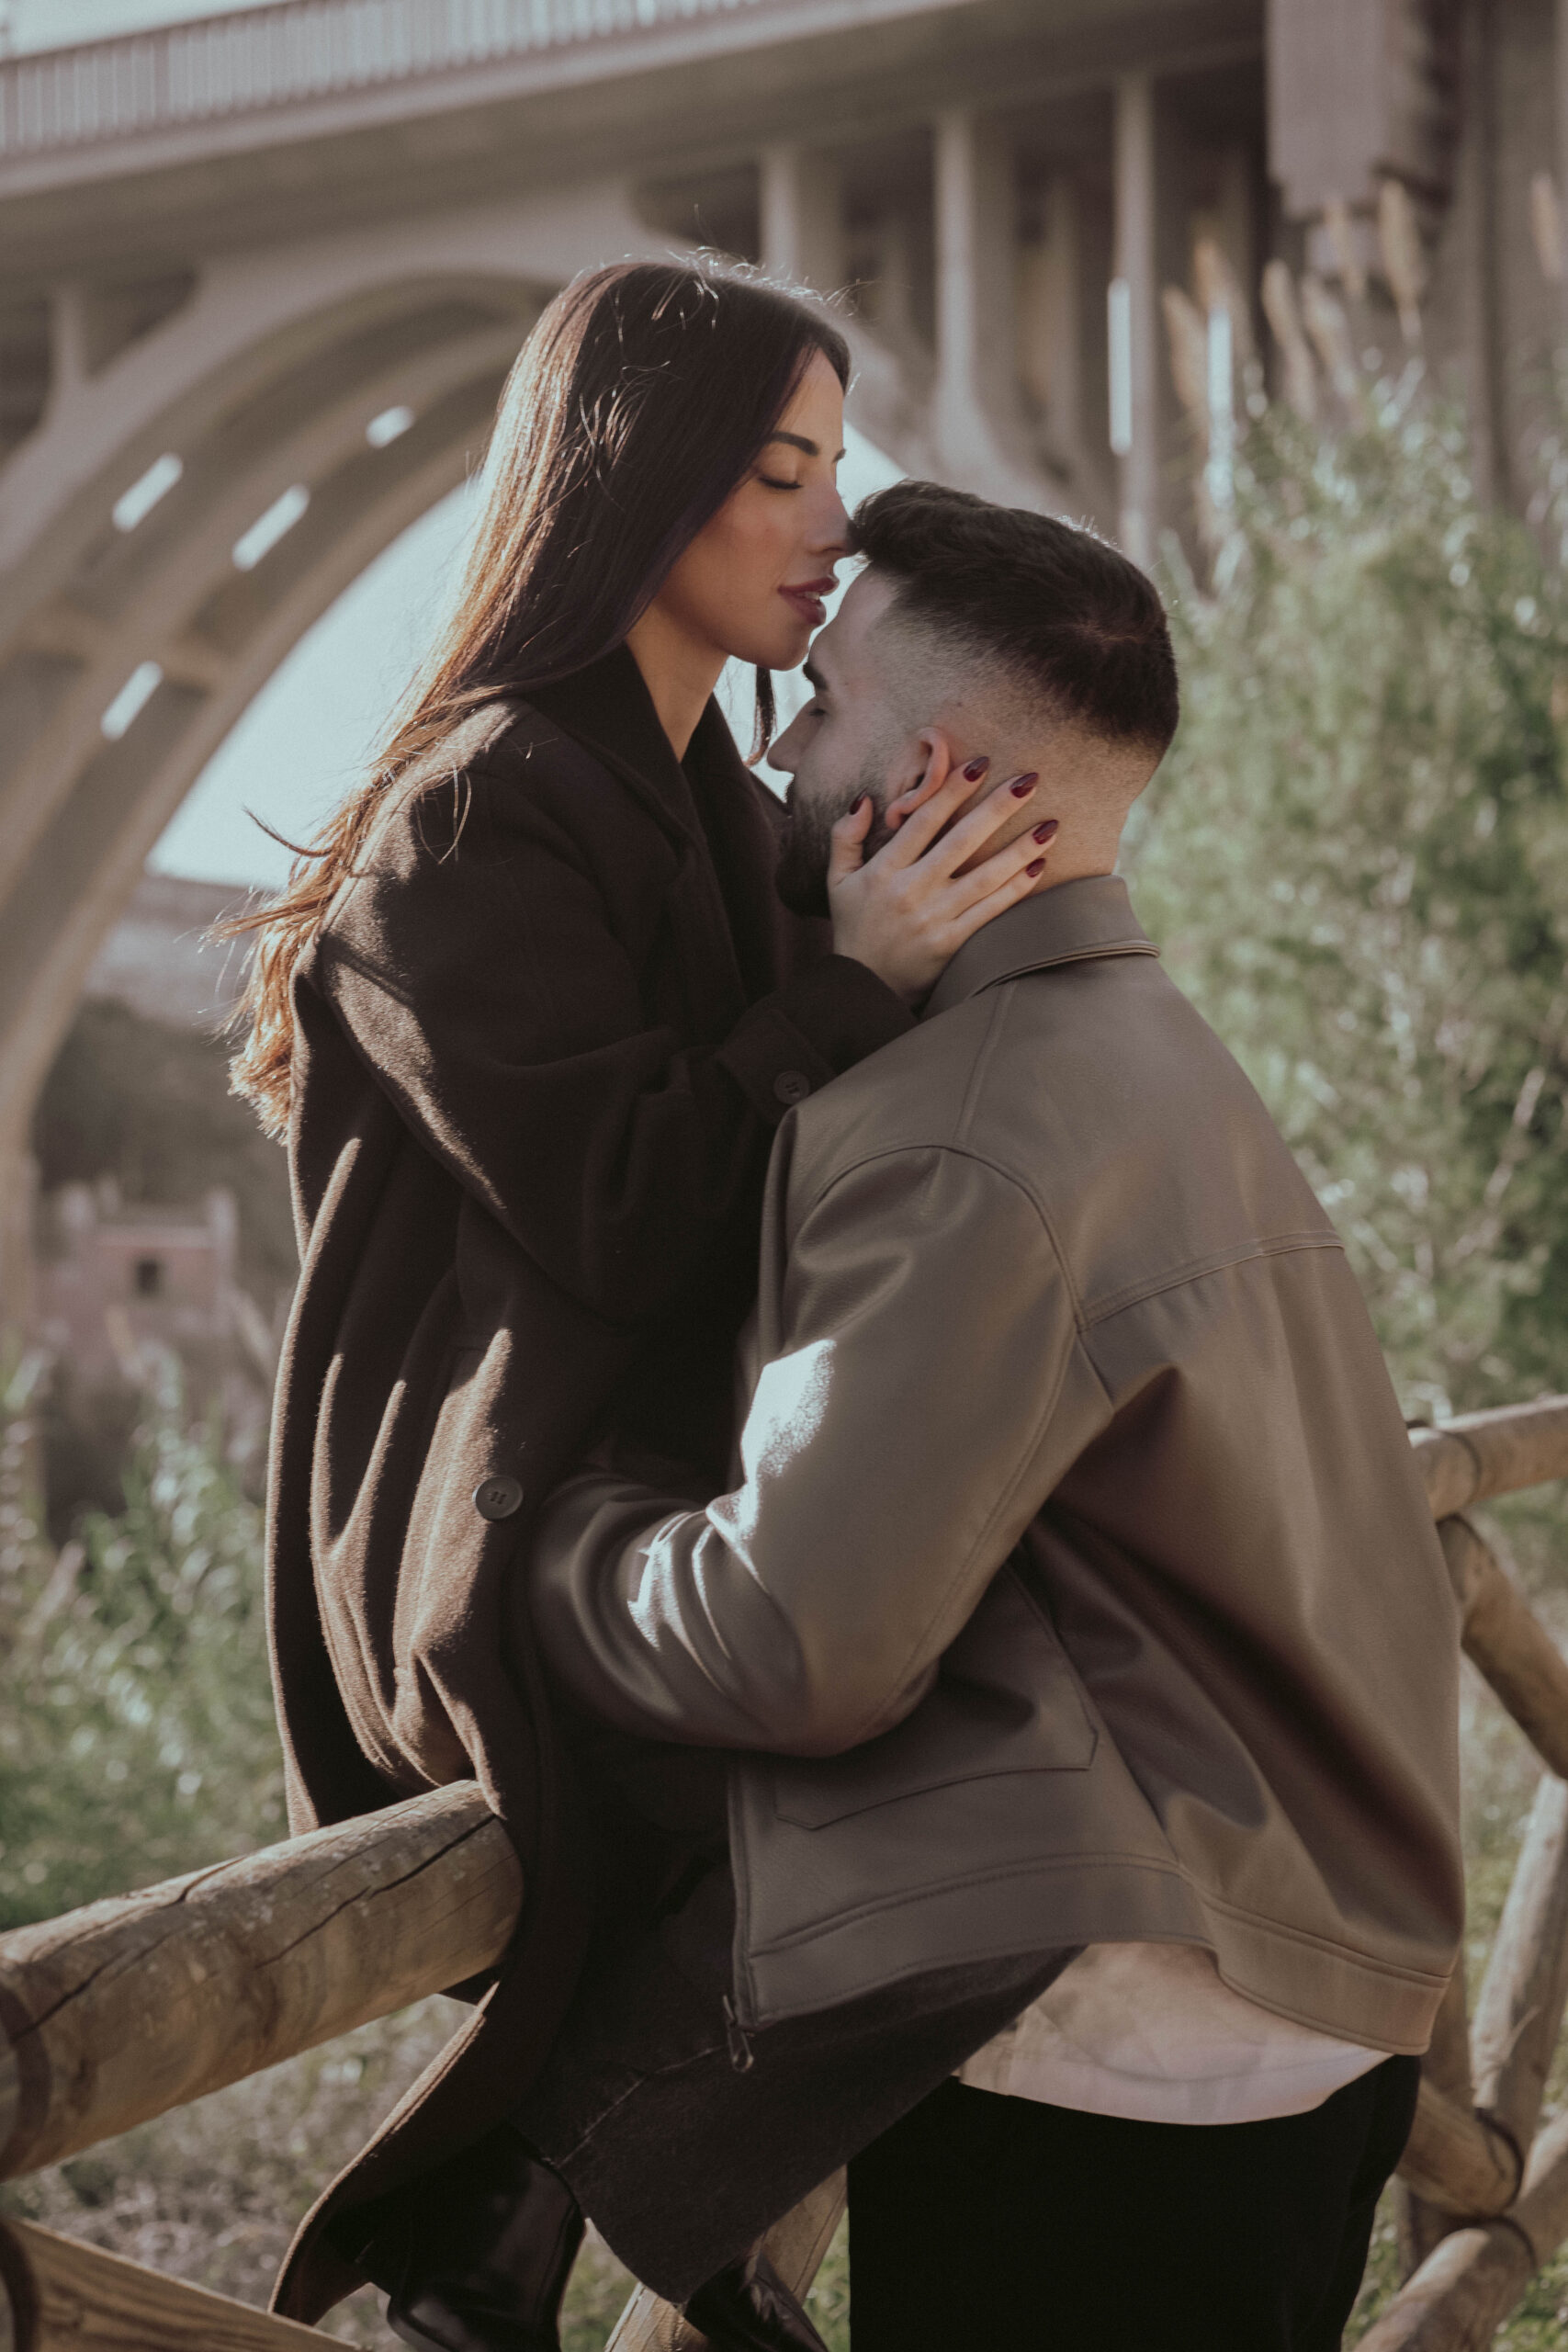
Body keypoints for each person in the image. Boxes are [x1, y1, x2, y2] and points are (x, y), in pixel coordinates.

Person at [487, 483, 1465, 2351]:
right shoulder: (1174, 1067)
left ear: (928, 776)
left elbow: (791, 1640)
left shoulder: (958, 1126)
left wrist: (551, 1546)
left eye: (821, 702)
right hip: (1312, 2016)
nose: (781, 749)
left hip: (1119, 2071)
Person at [227, 262, 1047, 2336]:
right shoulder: (475, 809)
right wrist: (850, 984)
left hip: (665, 1502)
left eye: (833, 465)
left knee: (1048, 1707)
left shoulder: (714, 810)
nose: (834, 521)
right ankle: (546, 2191)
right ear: (636, 478)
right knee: (978, 1771)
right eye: (780, 472)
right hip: (497, 1537)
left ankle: (567, 2206)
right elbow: (630, 1214)